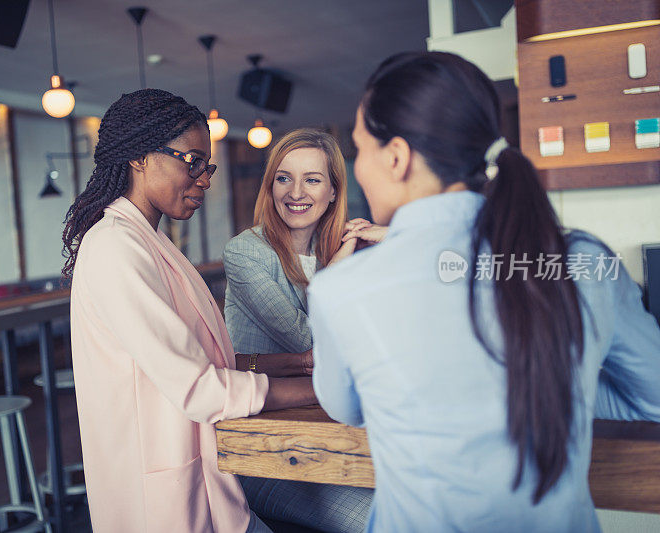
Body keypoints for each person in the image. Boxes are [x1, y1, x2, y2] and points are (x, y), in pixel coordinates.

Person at [308, 52, 660, 532]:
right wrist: (553, 380)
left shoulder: (341, 289)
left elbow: (346, 409)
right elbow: (653, 399)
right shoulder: (583, 262)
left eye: (359, 150)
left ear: (396, 157)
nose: (359, 171)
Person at [64, 89, 316, 533]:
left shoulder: (151, 242)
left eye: (208, 165)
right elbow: (202, 388)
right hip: (163, 507)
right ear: (141, 157)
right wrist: (330, 389)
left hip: (208, 488)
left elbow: (203, 362)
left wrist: (300, 364)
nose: (204, 178)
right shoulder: (114, 248)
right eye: (192, 161)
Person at [223, 128, 374, 532]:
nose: (296, 191)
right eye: (284, 177)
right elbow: (308, 342)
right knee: (382, 520)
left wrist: (393, 240)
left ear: (333, 192)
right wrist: (342, 270)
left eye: (312, 179)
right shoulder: (246, 252)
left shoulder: (340, 251)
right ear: (270, 186)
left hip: (333, 429)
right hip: (264, 450)